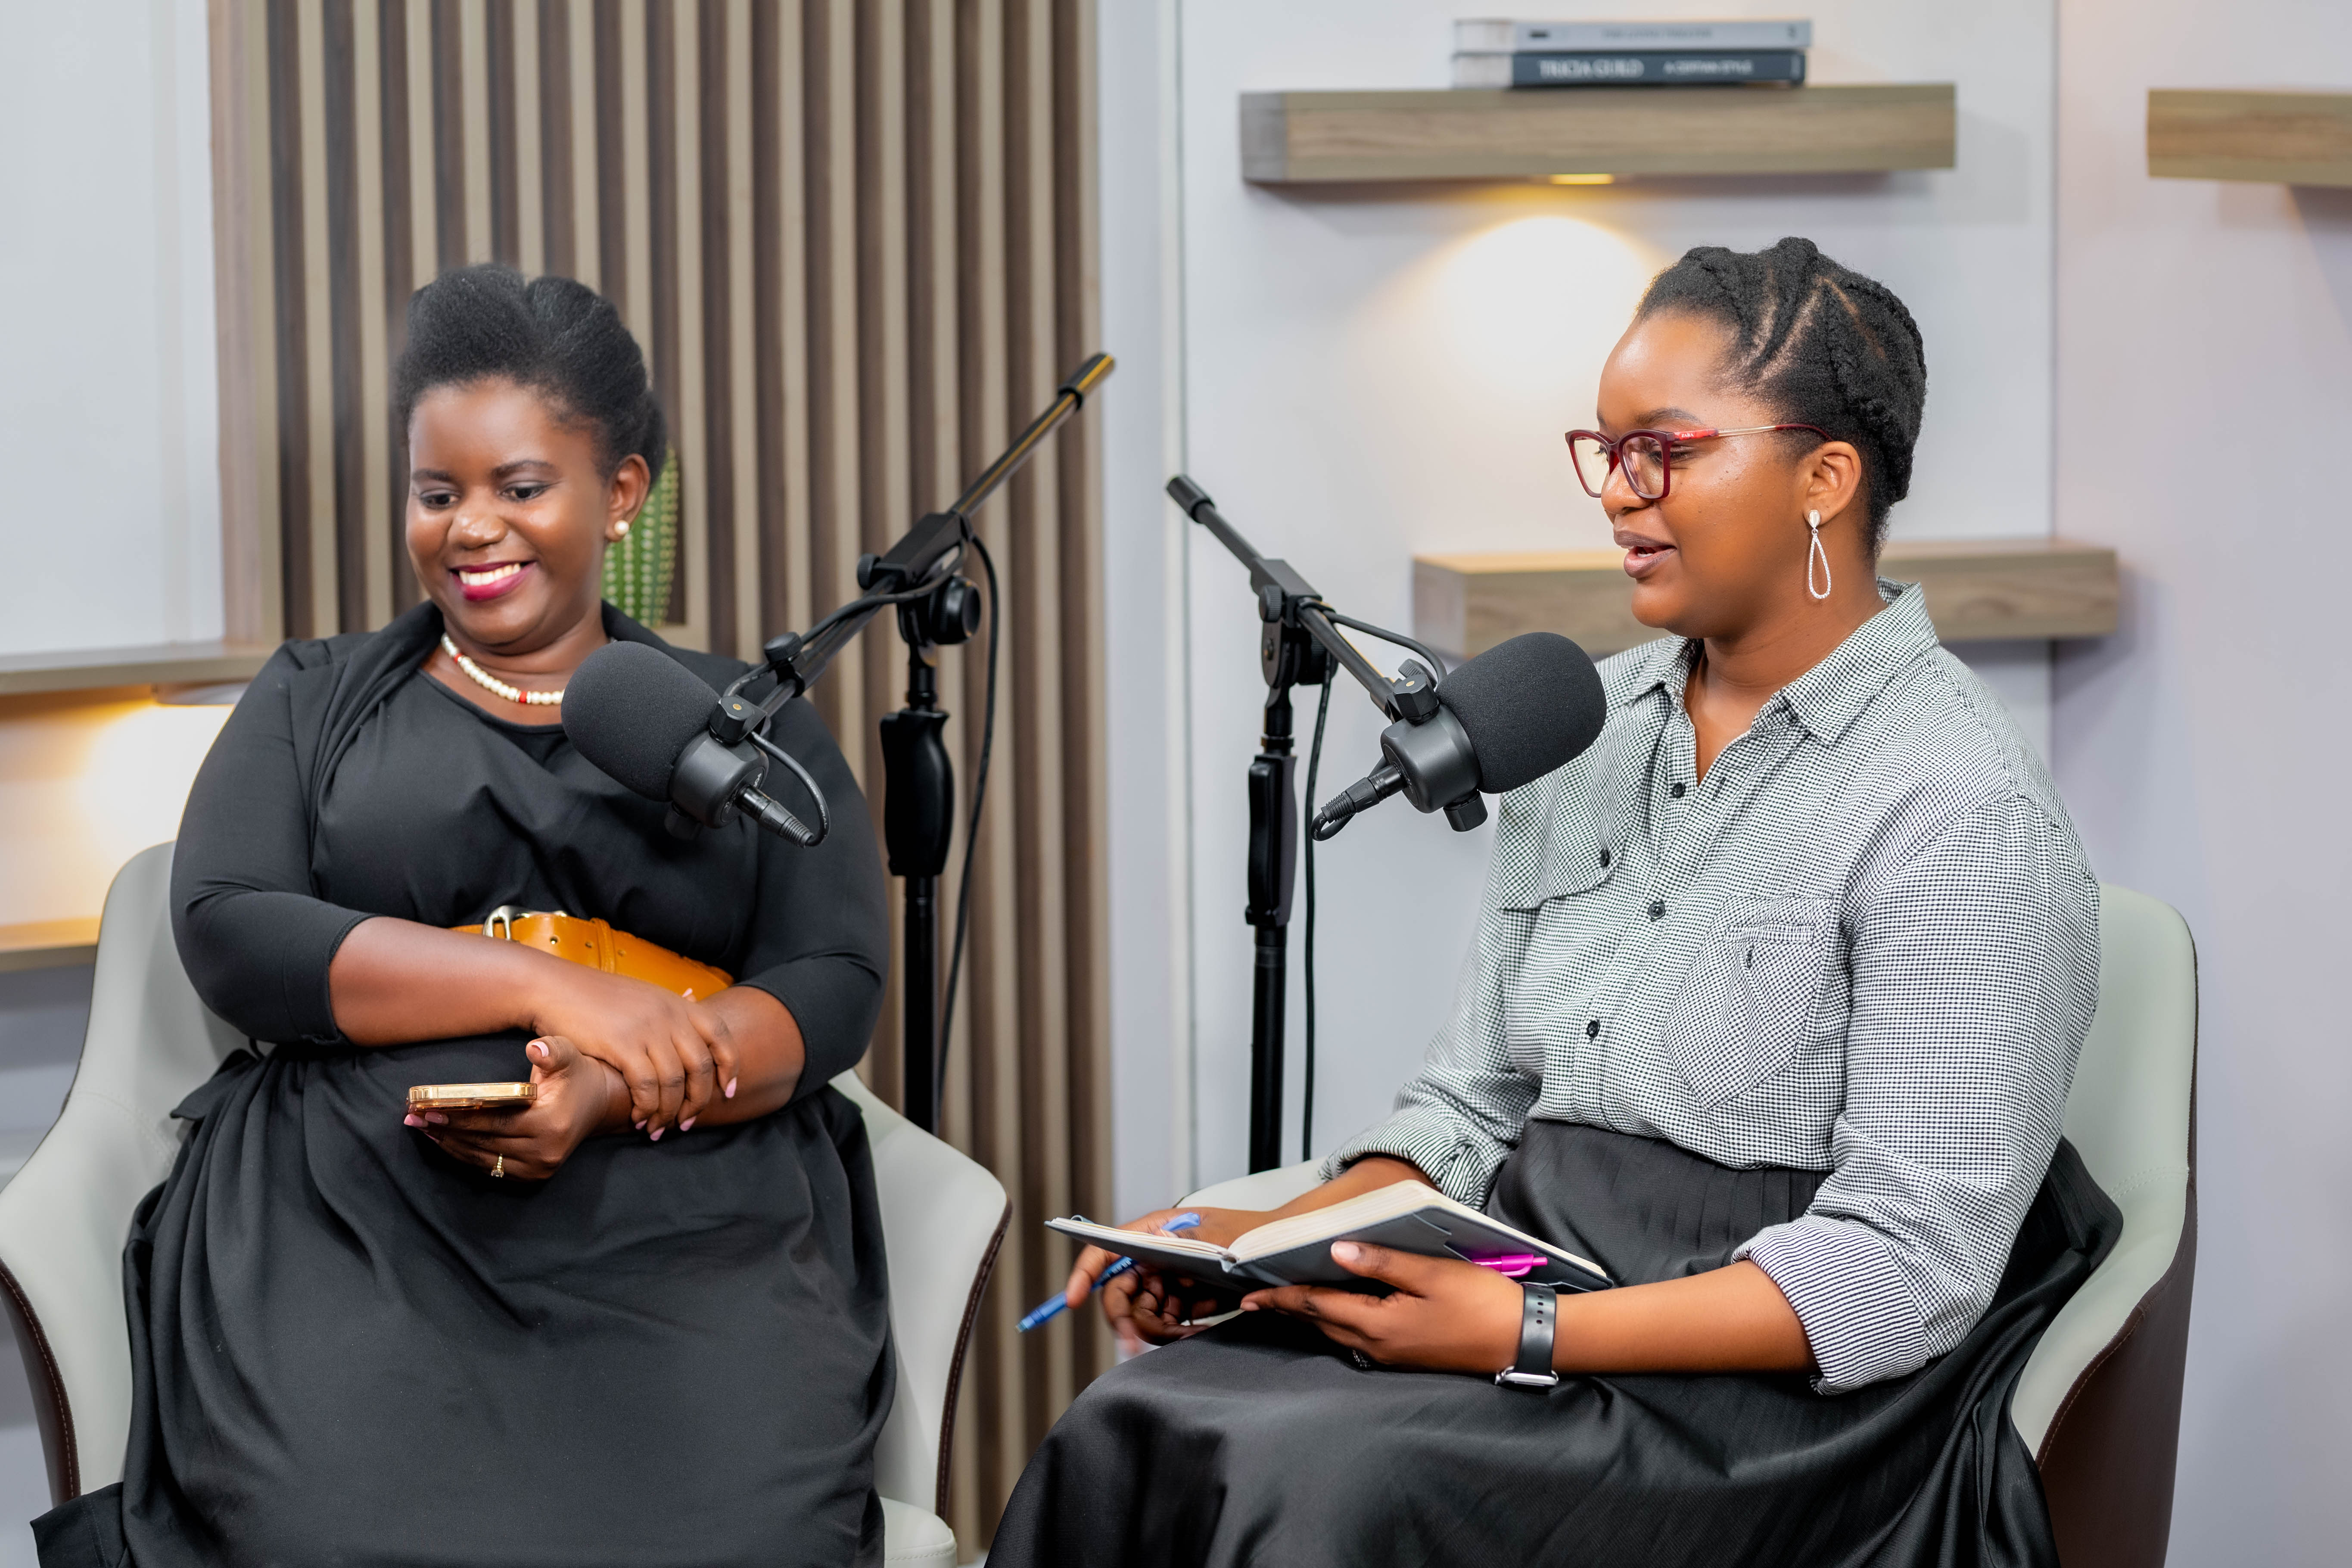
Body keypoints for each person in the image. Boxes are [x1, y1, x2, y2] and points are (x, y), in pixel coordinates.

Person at [991, 237, 2114, 1568]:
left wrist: (1526, 1332)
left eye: (1666, 451)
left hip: (1765, 1400)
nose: (1620, 493)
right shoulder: (1589, 725)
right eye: (1607, 450)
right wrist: (1269, 1246)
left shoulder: (1960, 807)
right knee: (1139, 1421)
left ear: (1824, 479)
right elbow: (1471, 1103)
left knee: (1319, 1487)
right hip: (1535, 1272)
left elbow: (1903, 1270)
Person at [34, 266, 895, 1568]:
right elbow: (231, 925)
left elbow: (829, 981)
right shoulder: (311, 698)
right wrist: (554, 988)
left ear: (621, 493)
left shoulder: (738, 733)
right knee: (324, 1535)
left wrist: (617, 1088)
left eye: (521, 487)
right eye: (437, 494)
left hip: (687, 1230)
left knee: (737, 1540)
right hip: (356, 1230)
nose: (471, 529)